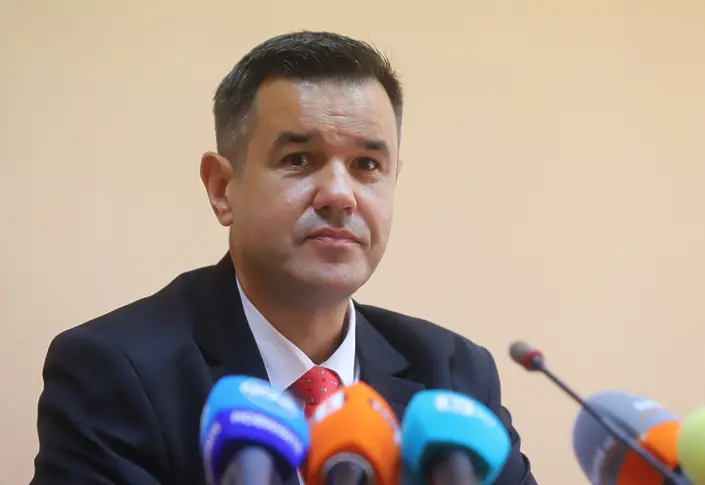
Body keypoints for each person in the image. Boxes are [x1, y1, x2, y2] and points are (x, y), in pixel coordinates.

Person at [30, 31, 538, 485]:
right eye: (299, 159)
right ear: (222, 188)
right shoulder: (116, 371)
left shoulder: (454, 378)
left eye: (367, 165)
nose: (339, 195)